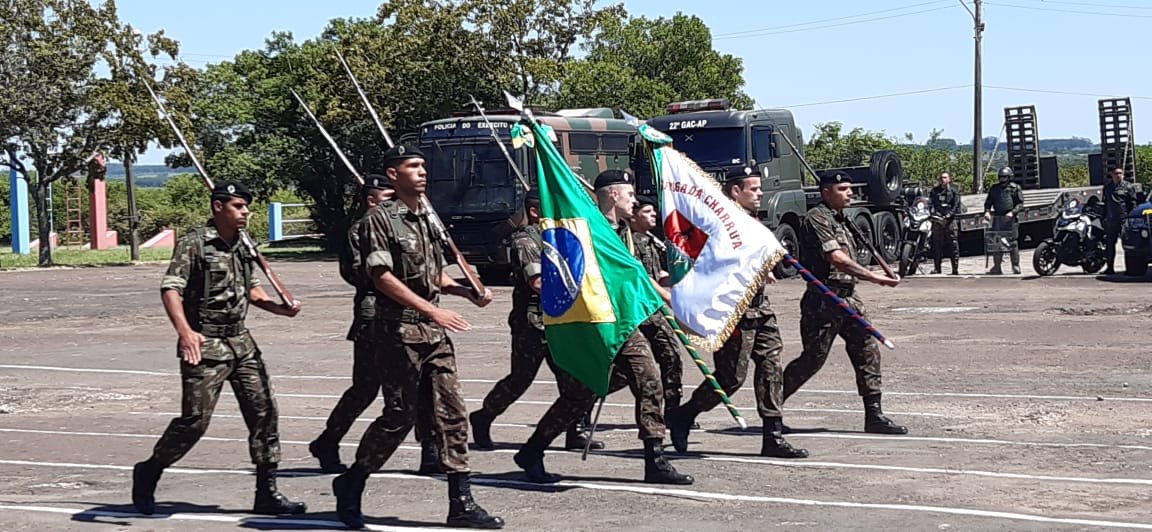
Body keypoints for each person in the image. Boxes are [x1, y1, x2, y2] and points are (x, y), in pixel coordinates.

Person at [331, 145, 503, 530]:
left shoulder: (428, 218)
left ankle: (461, 501)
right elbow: (381, 277)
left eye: (424, 166)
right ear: (394, 175)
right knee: (399, 416)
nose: (422, 172)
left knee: (452, 413)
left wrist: (465, 292)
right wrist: (432, 309)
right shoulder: (380, 220)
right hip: (397, 331)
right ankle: (353, 481)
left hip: (433, 333)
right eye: (413, 166)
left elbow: (433, 275)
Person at [131, 181, 306, 516]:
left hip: (241, 341)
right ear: (218, 207)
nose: (245, 213)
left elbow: (251, 290)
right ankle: (150, 470)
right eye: (238, 206)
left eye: (247, 207)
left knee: (265, 414)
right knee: (194, 422)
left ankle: (266, 492)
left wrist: (278, 308)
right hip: (205, 343)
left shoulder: (244, 245)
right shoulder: (195, 243)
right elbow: (171, 289)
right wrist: (185, 333)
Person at [511, 170, 693, 487]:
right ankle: (533, 449)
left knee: (649, 378)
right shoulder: (585, 226)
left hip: (620, 320)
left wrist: (661, 300)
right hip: (590, 319)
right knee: (579, 395)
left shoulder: (623, 233)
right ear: (612, 195)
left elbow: (632, 275)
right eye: (630, 195)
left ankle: (655, 459)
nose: (635, 201)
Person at [310, 175, 448, 475]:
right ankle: (329, 439)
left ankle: (430, 449)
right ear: (372, 200)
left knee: (424, 383)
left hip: (409, 315)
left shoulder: (409, 223)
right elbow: (362, 273)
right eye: (387, 196)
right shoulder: (362, 229)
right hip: (375, 316)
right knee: (367, 388)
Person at [668, 168, 808, 458]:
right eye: (753, 189)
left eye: (759, 188)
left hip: (760, 307)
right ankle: (685, 414)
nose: (759, 193)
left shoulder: (751, 222)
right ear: (735, 191)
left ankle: (773, 434)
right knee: (731, 377)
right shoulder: (721, 222)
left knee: (771, 368)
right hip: (733, 310)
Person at [469, 188, 603, 452]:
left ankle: (573, 430)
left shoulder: (559, 239)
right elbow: (538, 282)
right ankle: (483, 417)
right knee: (520, 380)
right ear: (534, 212)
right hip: (532, 324)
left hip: (561, 321)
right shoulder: (525, 241)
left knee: (575, 380)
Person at [781, 171, 908, 435]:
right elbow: (836, 258)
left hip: (849, 296)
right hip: (824, 299)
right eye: (843, 188)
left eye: (850, 188)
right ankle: (771, 406)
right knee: (812, 359)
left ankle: (874, 415)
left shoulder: (843, 220)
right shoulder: (817, 218)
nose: (850, 193)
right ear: (826, 192)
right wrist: (875, 278)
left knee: (867, 349)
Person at [599, 173, 686, 422]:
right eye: (645, 211)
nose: (652, 216)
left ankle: (671, 415)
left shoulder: (643, 239)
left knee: (669, 356)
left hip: (647, 308)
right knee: (627, 372)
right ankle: (586, 400)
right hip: (629, 310)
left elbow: (657, 274)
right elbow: (638, 274)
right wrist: (665, 296)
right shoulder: (613, 235)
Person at [983, 167, 1024, 275]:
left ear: (1009, 177)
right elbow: (988, 203)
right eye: (1001, 177)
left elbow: (1020, 204)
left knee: (1013, 243)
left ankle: (1015, 266)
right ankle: (997, 267)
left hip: (1010, 218)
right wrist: (987, 212)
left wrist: (1012, 213)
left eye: (1005, 177)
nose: (1002, 179)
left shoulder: (1015, 188)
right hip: (998, 217)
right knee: (997, 243)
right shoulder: (994, 189)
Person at [1102, 167, 1137, 274]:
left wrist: (1131, 219)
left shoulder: (1128, 187)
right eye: (1116, 173)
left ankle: (1130, 269)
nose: (1118, 175)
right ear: (1112, 175)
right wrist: (1104, 218)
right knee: (1110, 245)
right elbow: (1105, 204)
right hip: (1111, 220)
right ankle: (1110, 268)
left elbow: (1133, 204)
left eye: (1120, 173)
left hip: (1124, 220)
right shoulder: (1108, 188)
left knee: (1127, 245)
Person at [930, 172, 961, 275]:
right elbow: (931, 204)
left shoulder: (954, 191)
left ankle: (955, 268)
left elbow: (956, 205)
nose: (943, 179)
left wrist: (948, 217)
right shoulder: (934, 191)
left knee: (953, 245)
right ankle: (937, 268)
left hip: (950, 221)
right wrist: (937, 216)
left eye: (945, 177)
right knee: (936, 245)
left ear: (949, 179)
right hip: (937, 221)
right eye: (941, 177)